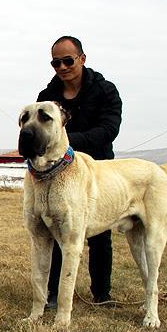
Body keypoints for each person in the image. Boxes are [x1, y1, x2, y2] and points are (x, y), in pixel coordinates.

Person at [36, 35, 123, 308]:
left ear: (82, 59)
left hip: (97, 170)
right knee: (57, 230)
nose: (62, 67)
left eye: (68, 60)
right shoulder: (46, 98)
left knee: (99, 235)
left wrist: (68, 142)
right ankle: (54, 295)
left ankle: (102, 294)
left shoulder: (106, 91)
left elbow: (109, 129)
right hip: (57, 174)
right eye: (55, 62)